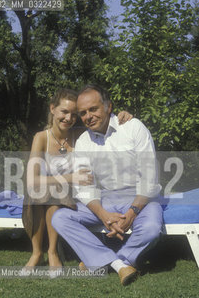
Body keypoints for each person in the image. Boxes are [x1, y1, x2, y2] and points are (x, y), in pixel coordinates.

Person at [52, 84, 163, 285]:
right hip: (107, 199)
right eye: (83, 113)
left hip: (140, 198)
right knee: (60, 217)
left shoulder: (132, 127)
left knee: (151, 228)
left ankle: (104, 261)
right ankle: (119, 265)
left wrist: (131, 213)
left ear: (108, 107)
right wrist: (103, 215)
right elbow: (85, 187)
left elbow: (149, 177)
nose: (88, 116)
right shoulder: (84, 141)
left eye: (93, 109)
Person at [22, 88, 132, 268]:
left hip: (77, 195)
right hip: (49, 192)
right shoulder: (41, 138)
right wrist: (70, 177)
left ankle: (52, 251)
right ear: (52, 109)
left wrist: (123, 115)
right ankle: (37, 252)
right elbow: (32, 180)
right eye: (64, 112)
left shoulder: (80, 134)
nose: (69, 118)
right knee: (43, 190)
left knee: (55, 190)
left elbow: (102, 120)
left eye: (74, 114)